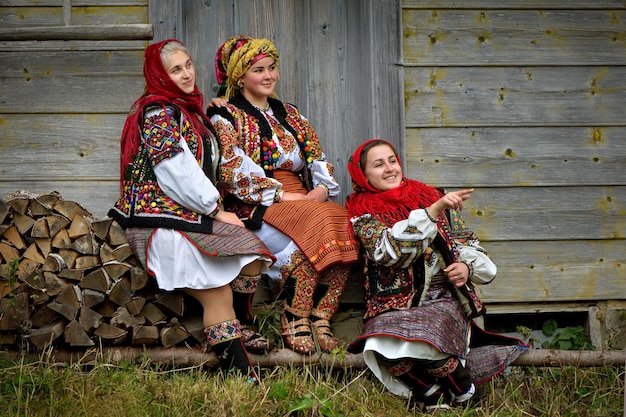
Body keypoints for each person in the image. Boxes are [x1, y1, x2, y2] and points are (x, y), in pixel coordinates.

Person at [108, 39, 275, 379]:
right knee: (218, 294)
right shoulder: (157, 114)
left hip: (186, 214)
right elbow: (176, 171)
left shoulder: (187, 109)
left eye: (188, 65)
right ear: (160, 75)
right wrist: (215, 210)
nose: (186, 74)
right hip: (157, 220)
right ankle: (243, 380)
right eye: (175, 69)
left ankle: (240, 325)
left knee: (253, 255)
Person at [345, 139, 528, 411]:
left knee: (432, 340)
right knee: (382, 344)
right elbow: (390, 254)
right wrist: (431, 213)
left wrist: (467, 267)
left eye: (392, 161)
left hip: (443, 297)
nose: (389, 169)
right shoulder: (363, 213)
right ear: (363, 174)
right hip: (394, 302)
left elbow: (468, 243)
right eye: (378, 164)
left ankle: (465, 393)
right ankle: (432, 394)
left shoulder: (428, 195)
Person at [208, 36, 360, 355]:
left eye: (272, 68)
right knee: (319, 226)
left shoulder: (290, 114)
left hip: (303, 198)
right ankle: (294, 316)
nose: (268, 75)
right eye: (258, 70)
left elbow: (317, 155)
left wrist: (321, 188)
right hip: (258, 204)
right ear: (239, 77)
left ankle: (321, 315)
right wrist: (284, 196)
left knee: (343, 220)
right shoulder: (227, 116)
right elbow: (233, 173)